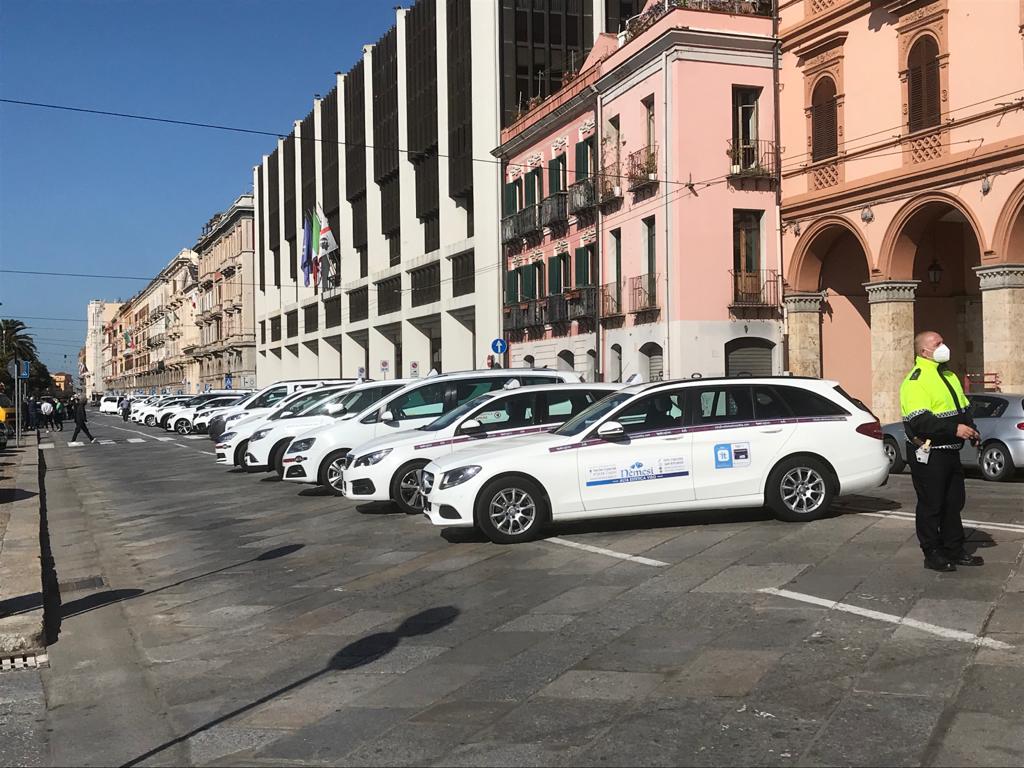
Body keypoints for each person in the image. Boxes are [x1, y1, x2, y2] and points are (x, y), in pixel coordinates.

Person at [899, 331, 983, 572]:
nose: (943, 346)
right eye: (938, 344)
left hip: (950, 451)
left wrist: (972, 430)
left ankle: (954, 548)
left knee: (953, 502)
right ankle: (932, 552)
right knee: (931, 504)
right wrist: (954, 429)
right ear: (924, 351)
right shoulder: (915, 381)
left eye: (943, 342)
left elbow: (963, 407)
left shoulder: (948, 375)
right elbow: (920, 421)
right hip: (929, 452)